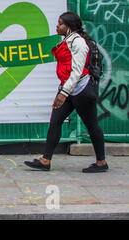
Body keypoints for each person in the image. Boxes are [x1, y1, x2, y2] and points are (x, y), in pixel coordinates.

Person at [24, 12, 108, 173]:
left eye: (60, 23)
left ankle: (101, 162)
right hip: (68, 88)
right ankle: (45, 160)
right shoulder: (68, 41)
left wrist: (63, 93)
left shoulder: (79, 43)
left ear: (69, 26)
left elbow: (77, 72)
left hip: (81, 89)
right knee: (55, 121)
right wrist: (64, 90)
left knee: (91, 125)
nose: (57, 26)